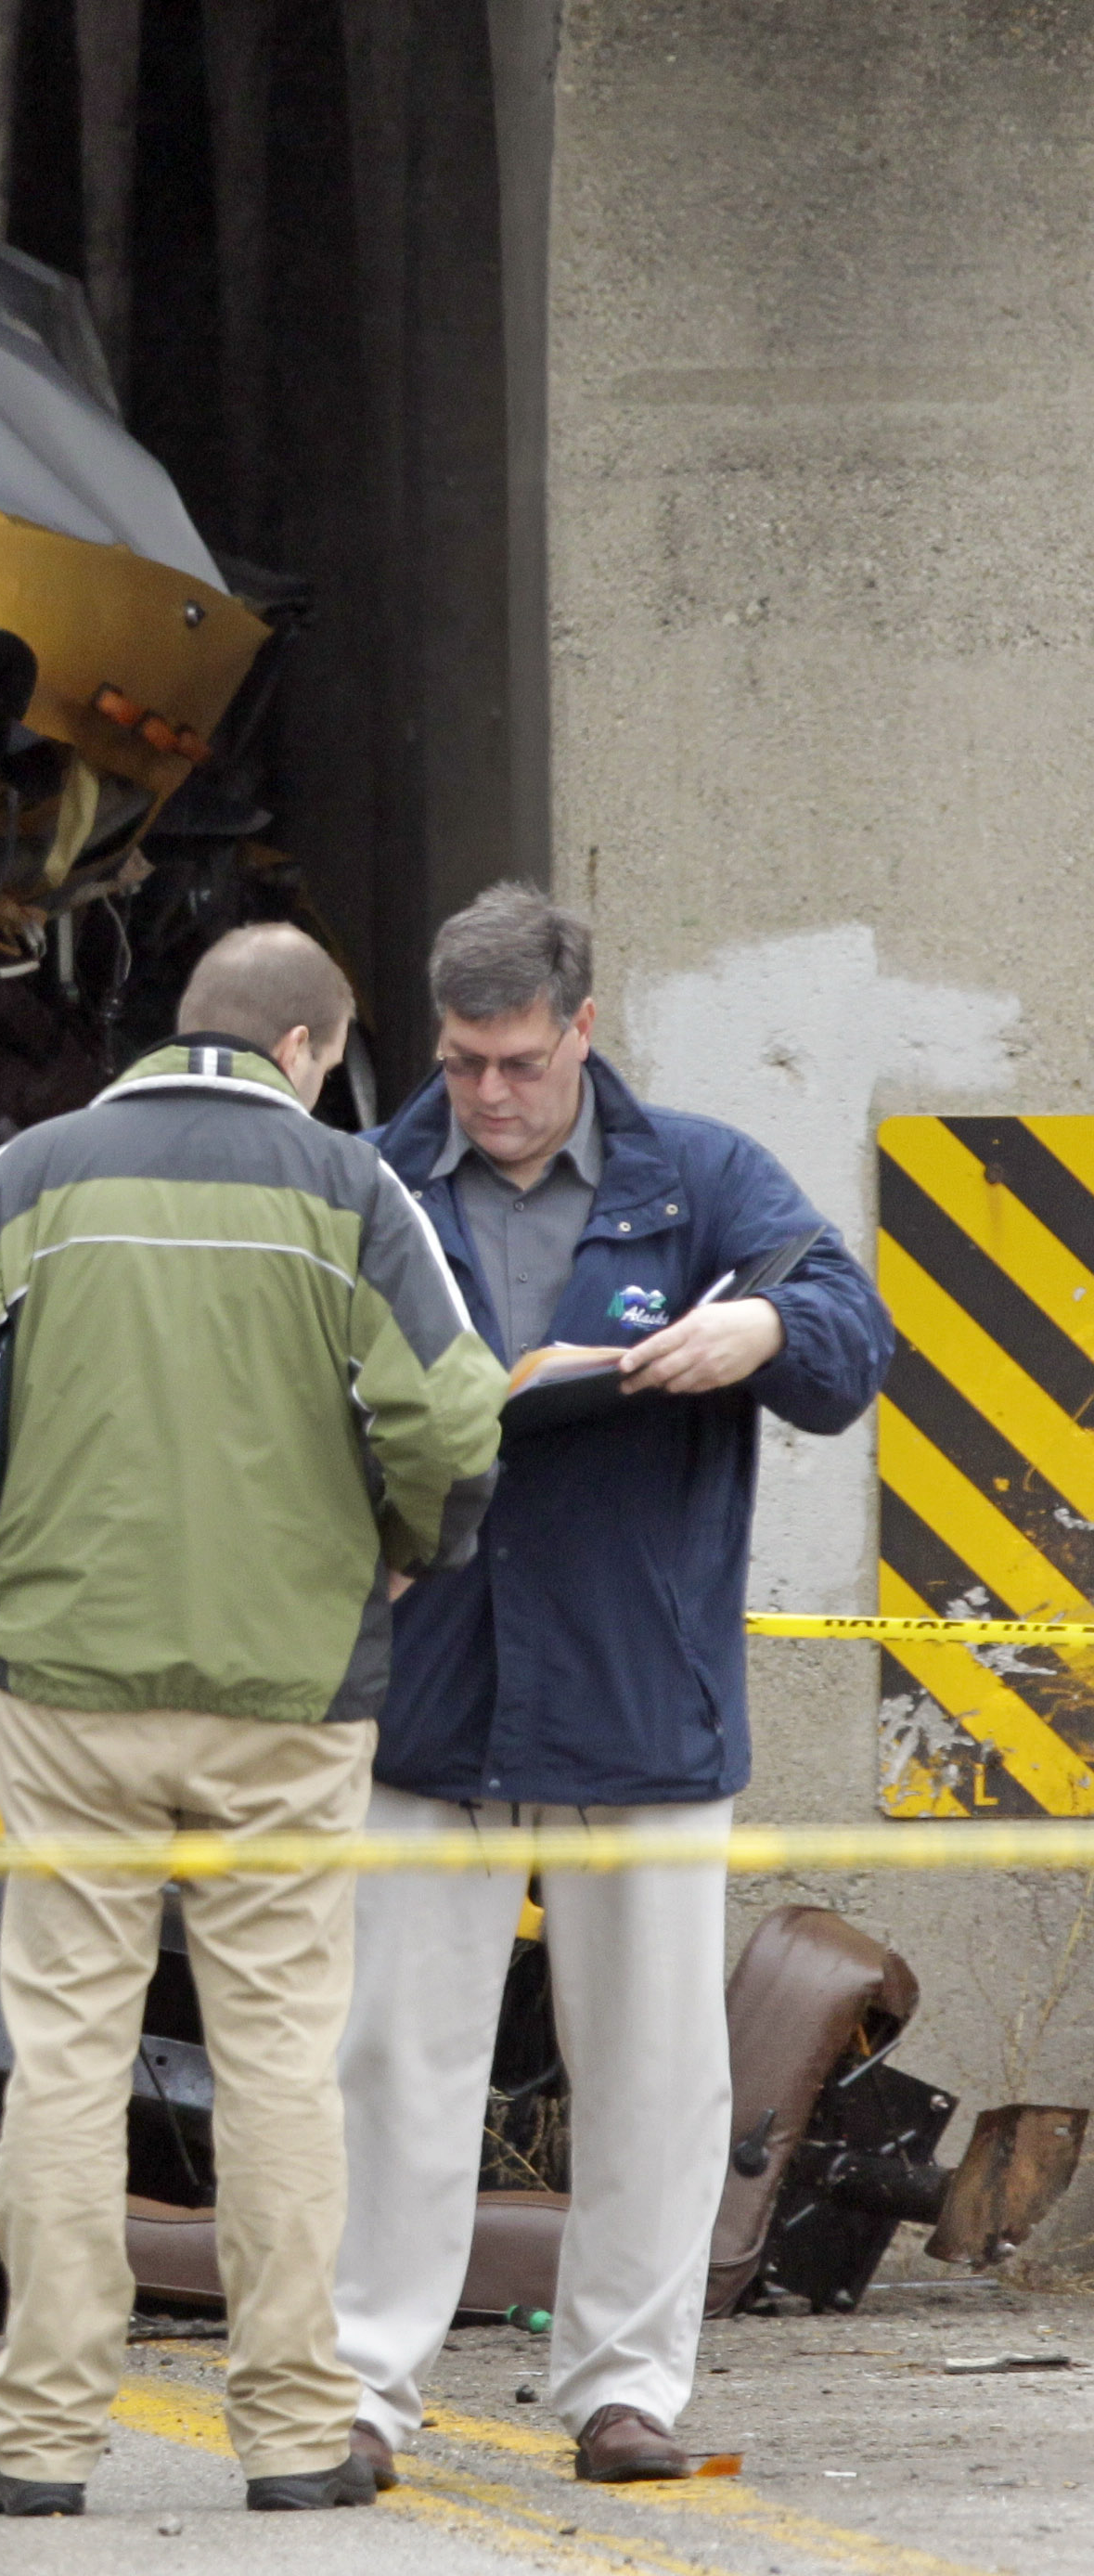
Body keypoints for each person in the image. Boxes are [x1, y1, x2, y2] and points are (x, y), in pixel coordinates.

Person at [0, 923, 504, 2518]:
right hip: (290, 1697)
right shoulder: (358, 1193)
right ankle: (295, 2437)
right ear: (306, 1048)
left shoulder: (26, 1177)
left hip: (69, 1685)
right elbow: (450, 1413)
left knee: (67, 2052)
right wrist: (412, 1547)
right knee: (283, 2062)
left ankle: (42, 2447)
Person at [336, 886, 888, 2487]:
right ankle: (367, 2385)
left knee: (651, 2066)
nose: (488, 1095)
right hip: (427, 1688)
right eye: (460, 1063)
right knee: (393, 2054)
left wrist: (764, 1328)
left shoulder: (704, 1176)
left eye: (517, 1060)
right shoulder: (370, 1184)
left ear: (582, 1027)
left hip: (638, 1700)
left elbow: (852, 1347)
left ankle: (625, 2389)